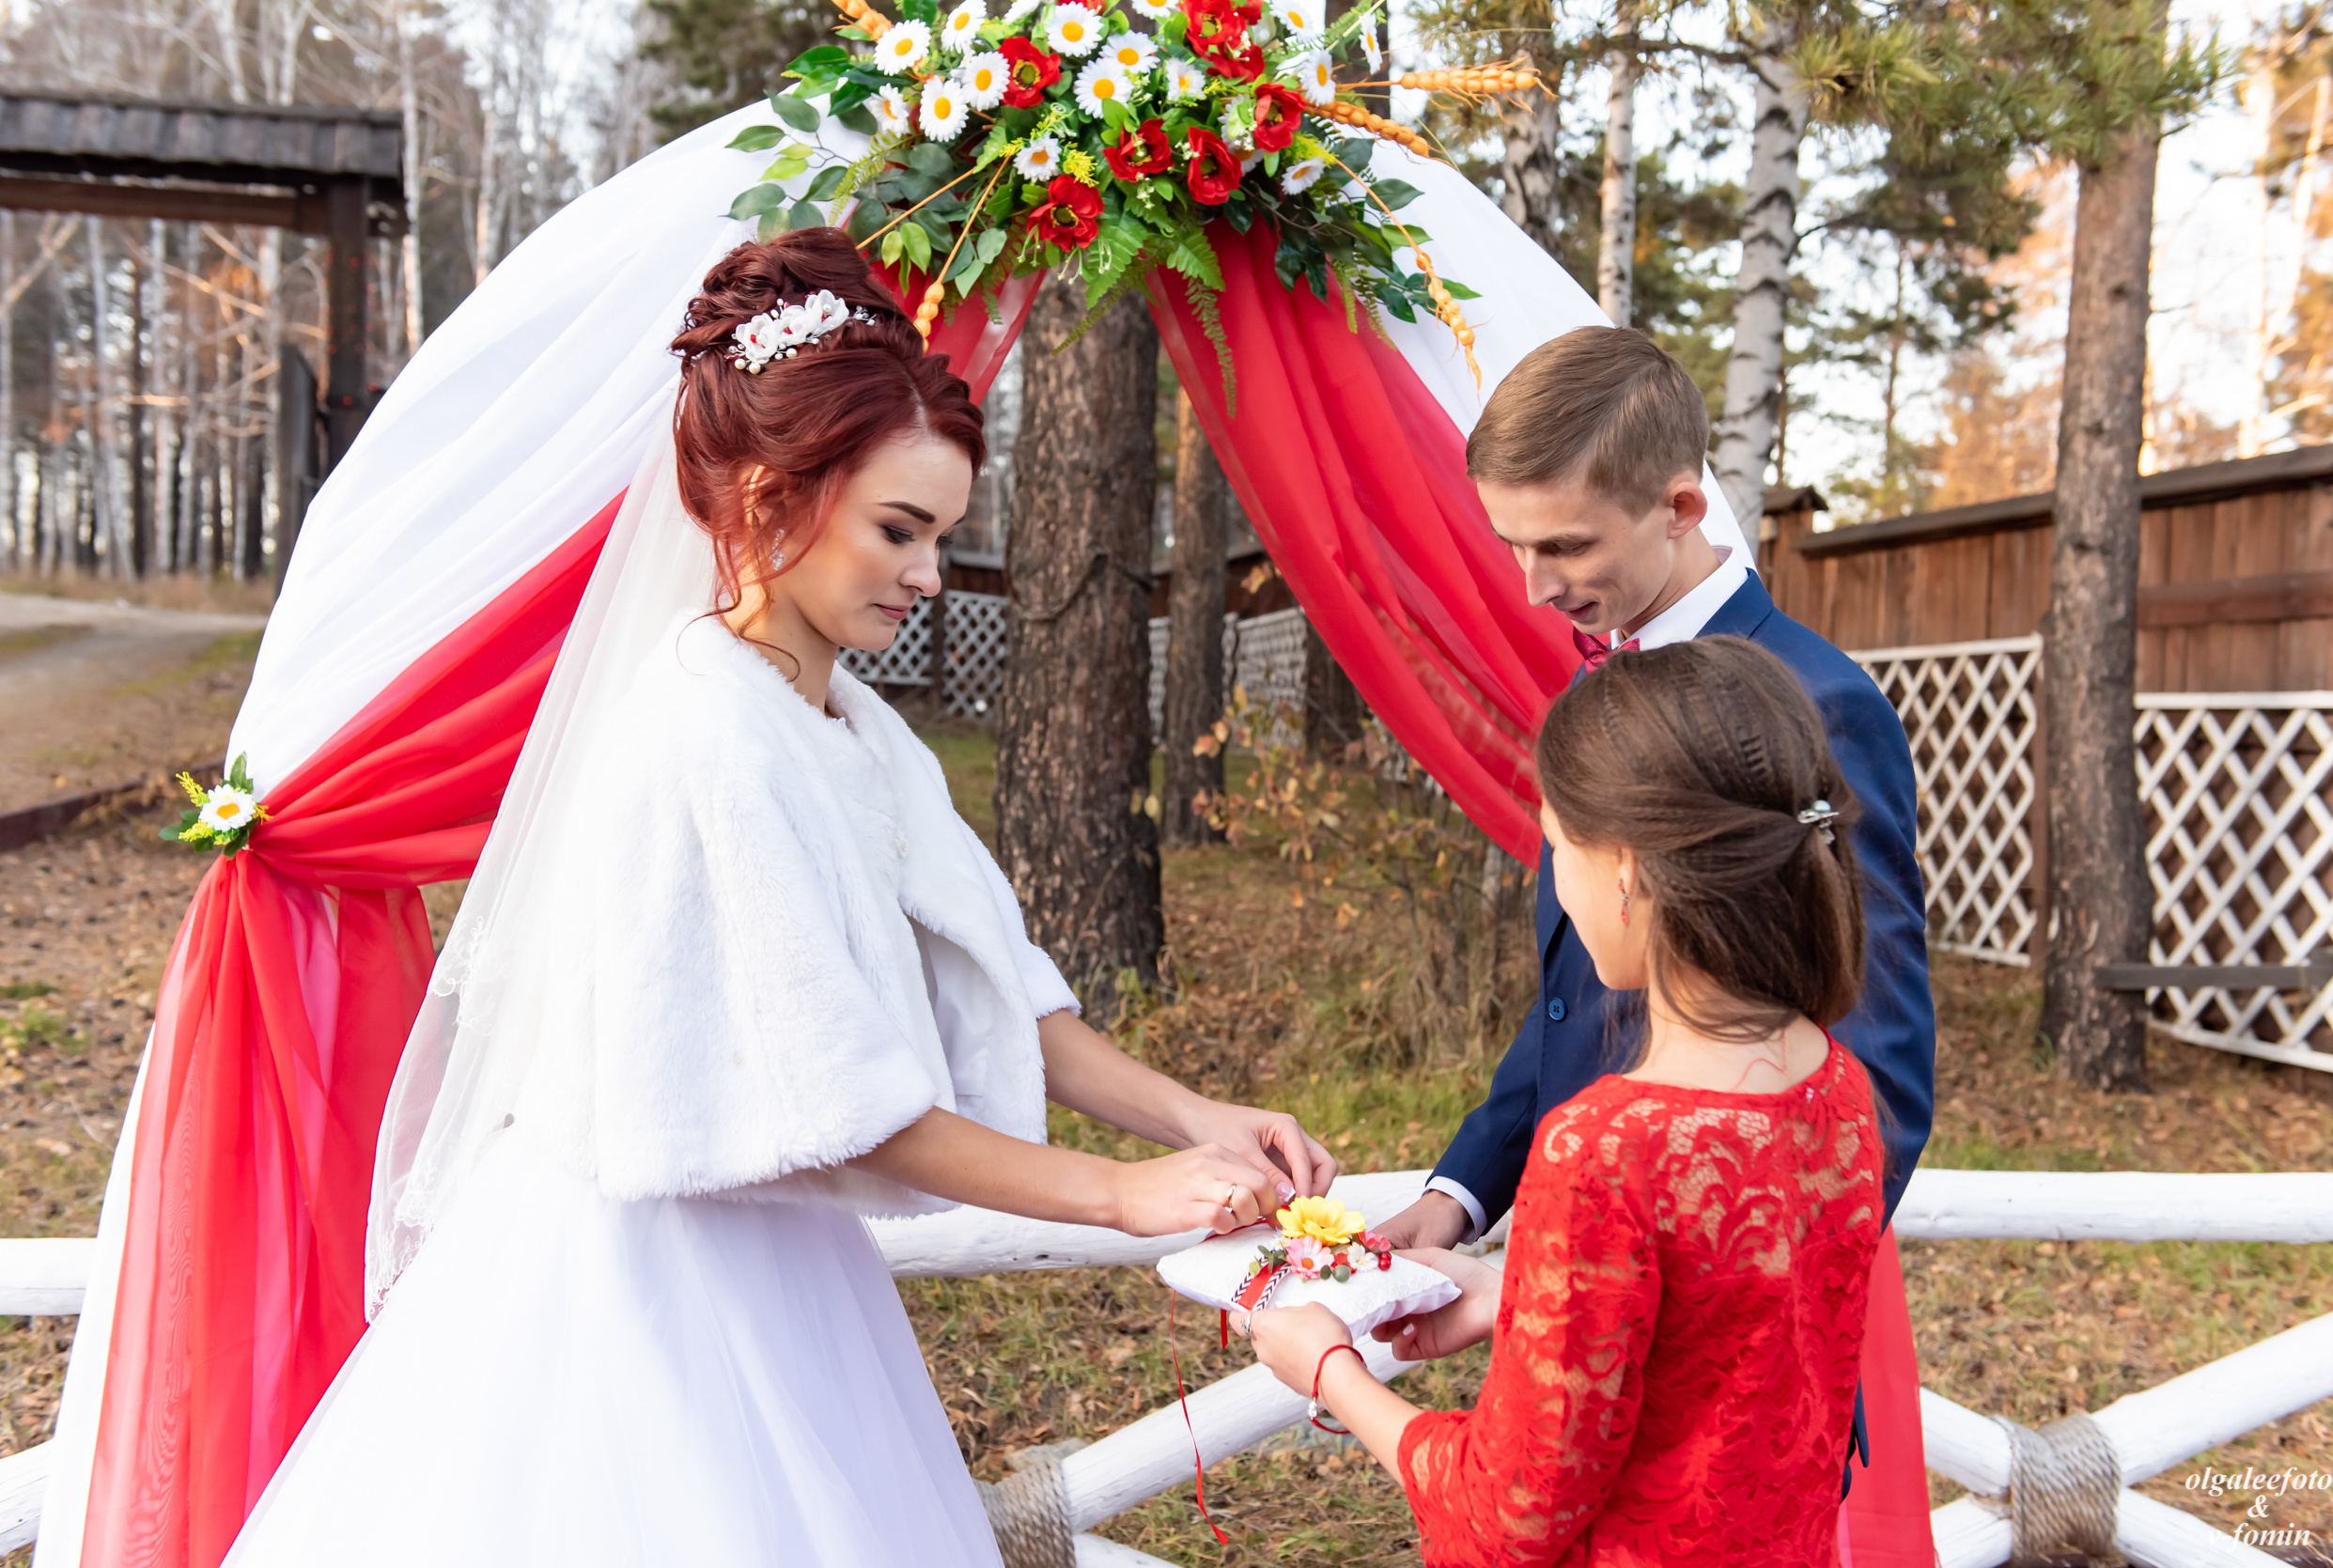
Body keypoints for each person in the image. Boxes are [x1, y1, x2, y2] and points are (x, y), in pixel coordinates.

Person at [221, 229, 1335, 1567]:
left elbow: (997, 979)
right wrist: (1118, 1193)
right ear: (763, 502)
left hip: (779, 1275)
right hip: (645, 1291)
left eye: (940, 536)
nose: (928, 574)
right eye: (899, 530)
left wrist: (1197, 1114)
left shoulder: (853, 726)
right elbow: (840, 1110)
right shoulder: (708, 736)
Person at [1250, 635, 1887, 1566]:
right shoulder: (1838, 1087)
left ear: (1624, 868)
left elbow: (1504, 1517)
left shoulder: (1602, 1149)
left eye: (1556, 849)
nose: (1557, 885)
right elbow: (1725, 1335)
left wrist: (1330, 1370)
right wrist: (1516, 1291)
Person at [1376, 327, 1934, 1247]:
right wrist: (1460, 1194)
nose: (1532, 588)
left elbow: (1879, 1062)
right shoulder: (1599, 688)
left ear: (1678, 506)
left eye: (1565, 544)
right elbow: (1579, 1001)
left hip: (1724, 1316)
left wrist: (1715, 1296)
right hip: (1590, 1265)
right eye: (1514, 545)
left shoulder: (1818, 702)